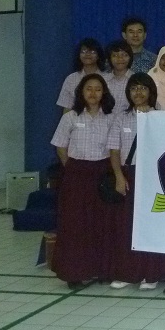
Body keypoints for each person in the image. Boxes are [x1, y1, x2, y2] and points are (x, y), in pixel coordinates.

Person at [107, 73, 165, 290]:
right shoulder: (121, 118)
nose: (138, 92)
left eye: (143, 88)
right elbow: (114, 150)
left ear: (151, 92)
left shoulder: (161, 117)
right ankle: (127, 273)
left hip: (153, 176)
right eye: (134, 88)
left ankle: (151, 274)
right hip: (128, 175)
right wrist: (119, 176)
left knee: (151, 226)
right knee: (126, 226)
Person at [50, 73, 115, 288]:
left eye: (98, 89)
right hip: (76, 174)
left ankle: (102, 270)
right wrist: (72, 168)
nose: (93, 93)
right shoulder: (70, 117)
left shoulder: (111, 118)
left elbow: (116, 148)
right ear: (81, 92)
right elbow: (60, 146)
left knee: (102, 223)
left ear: (104, 93)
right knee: (75, 224)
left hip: (103, 173)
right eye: (89, 88)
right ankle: (74, 273)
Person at [56, 38, 105, 113]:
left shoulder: (108, 77)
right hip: (77, 119)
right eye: (84, 51)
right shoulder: (71, 79)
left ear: (98, 55)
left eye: (92, 51)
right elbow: (67, 108)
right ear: (79, 55)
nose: (88, 54)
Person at [103, 41, 134, 112]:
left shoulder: (137, 80)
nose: (120, 58)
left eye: (124, 55)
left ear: (130, 57)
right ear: (109, 59)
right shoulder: (102, 80)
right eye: (115, 55)